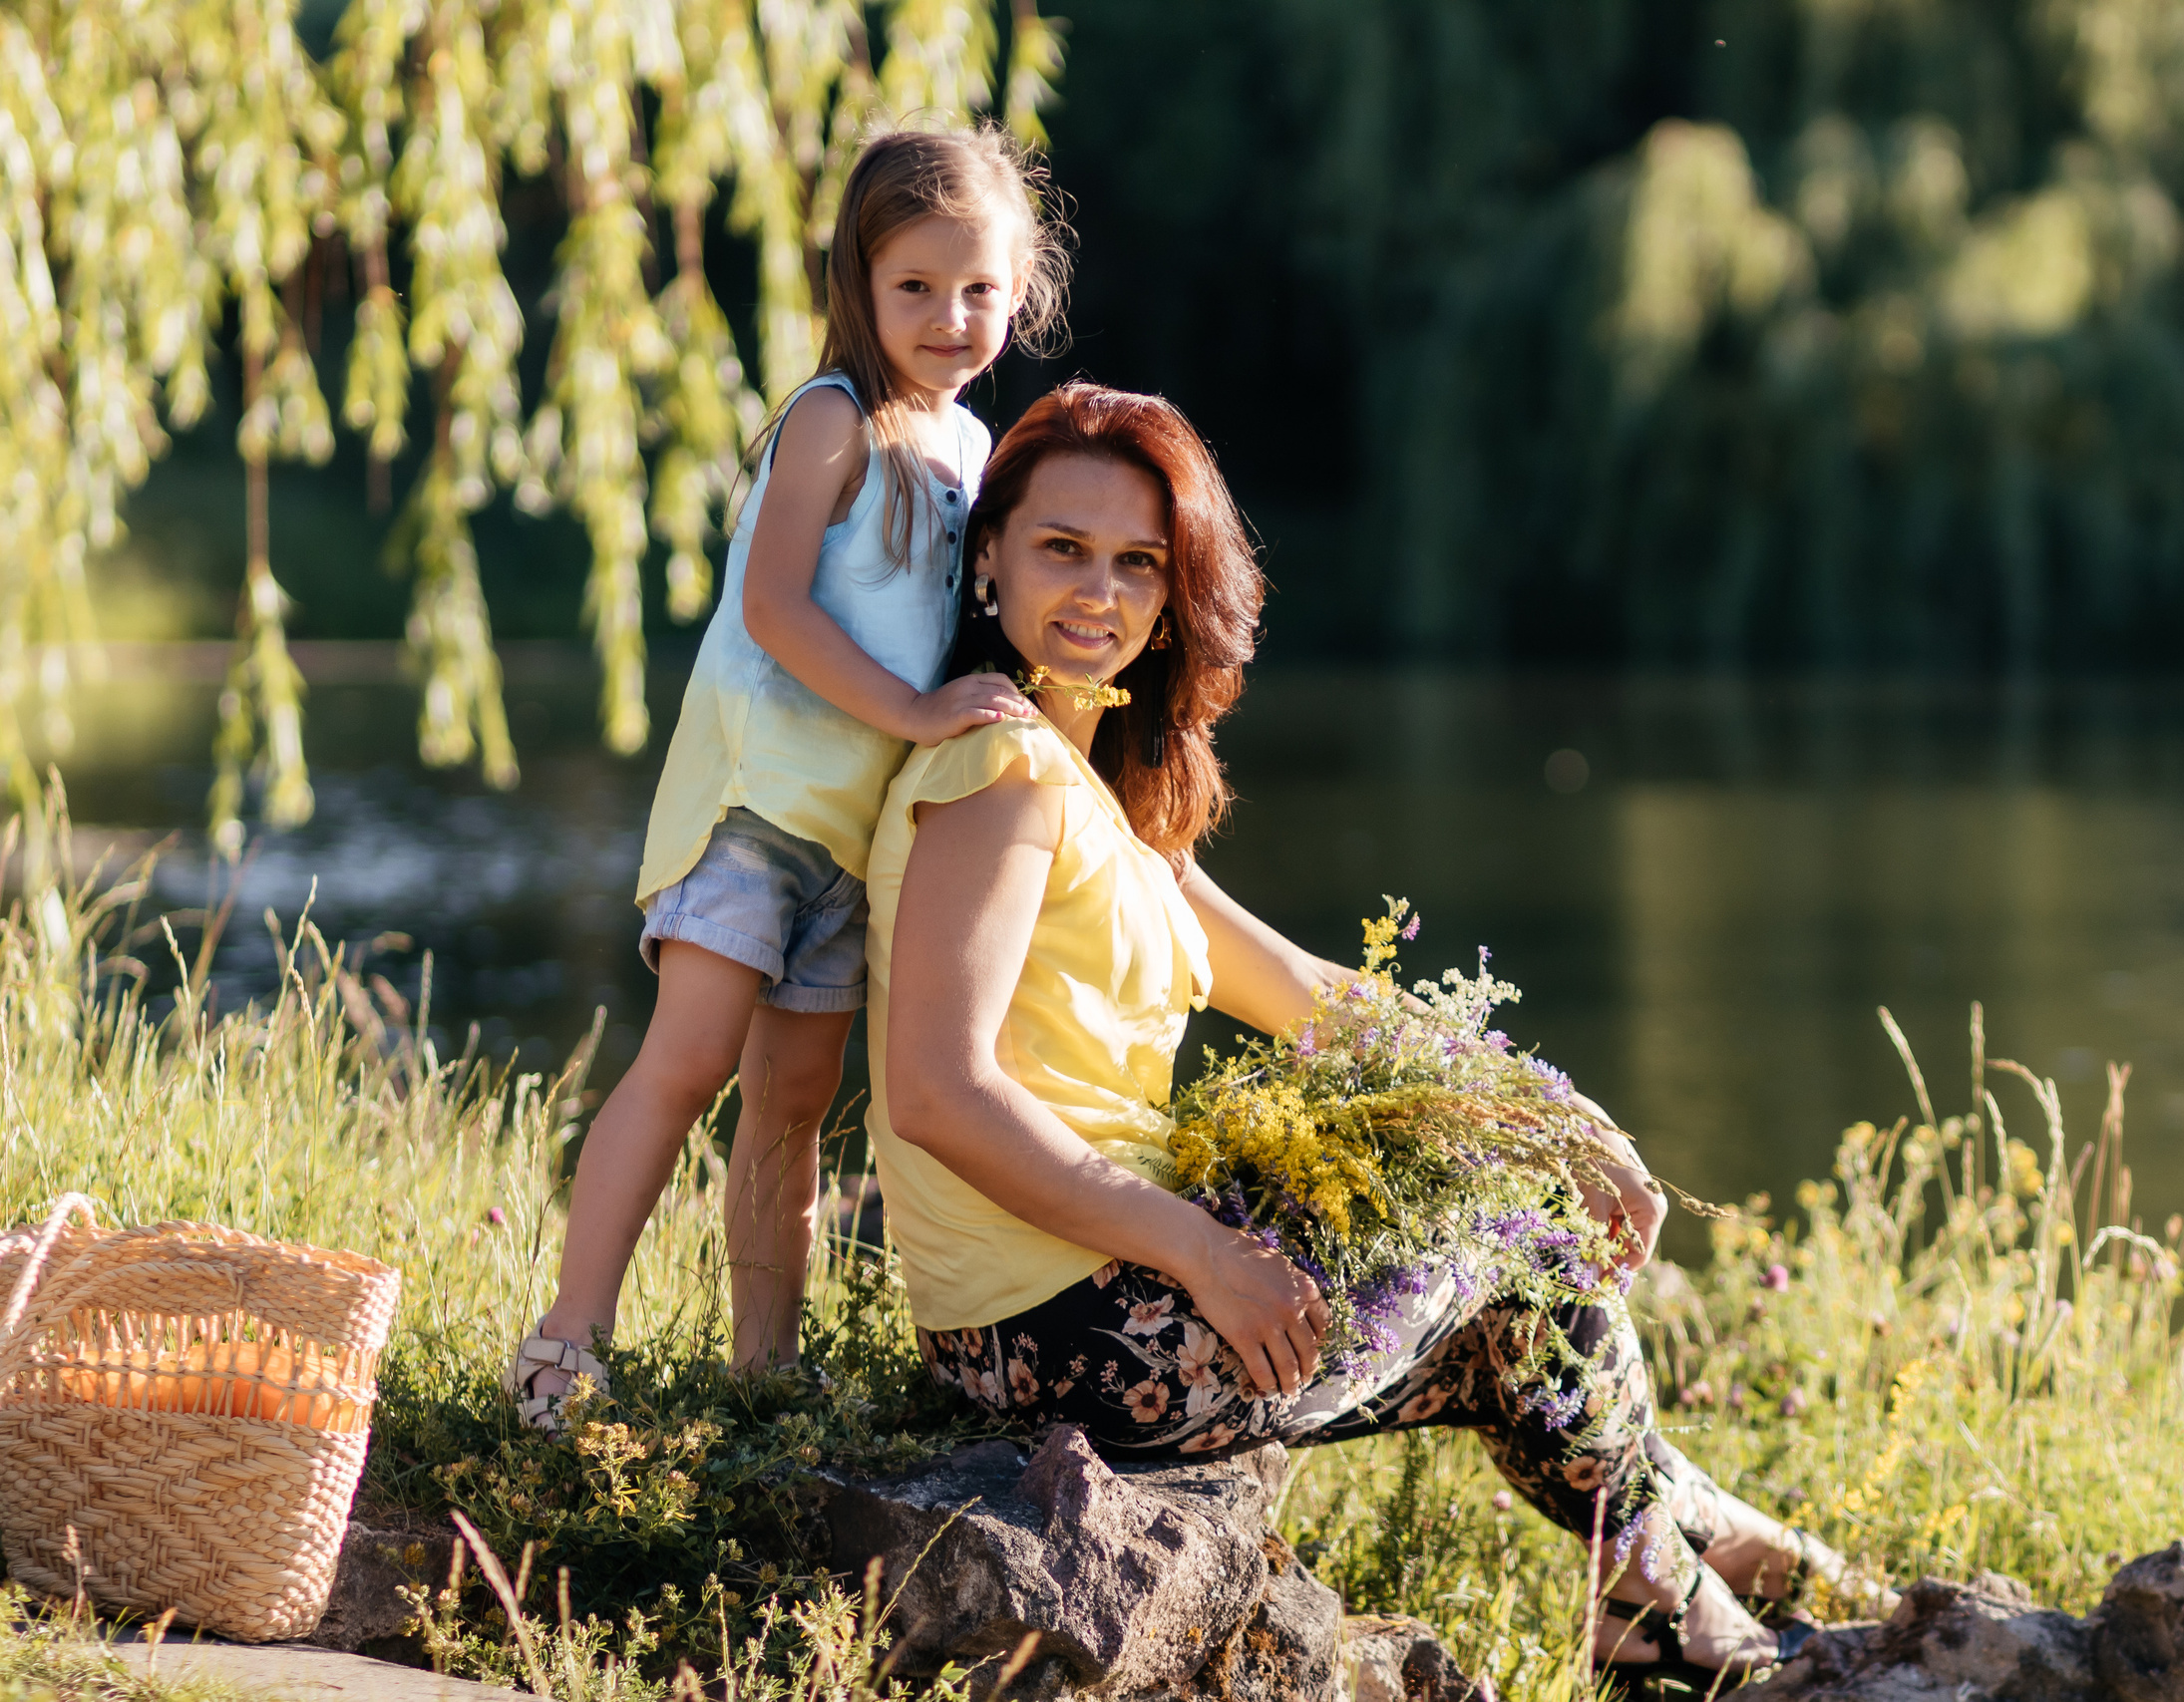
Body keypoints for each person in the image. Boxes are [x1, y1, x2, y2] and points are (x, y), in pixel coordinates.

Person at [865, 381, 1894, 1688]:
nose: (1100, 593)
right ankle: (1676, 1577)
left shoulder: (1090, 789)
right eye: (1063, 548)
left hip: (1085, 1294)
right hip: (1050, 1326)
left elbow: (1312, 991)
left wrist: (1559, 1117)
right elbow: (937, 1090)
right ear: (990, 558)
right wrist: (1209, 1256)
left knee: (1500, 1329)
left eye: (1139, 563)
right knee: (1522, 1247)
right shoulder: (1001, 775)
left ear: (1175, 593)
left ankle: (1677, 1539)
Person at [507, 128, 1065, 1429]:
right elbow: (774, 610)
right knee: (689, 1060)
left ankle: (765, 1371)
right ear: (856, 283)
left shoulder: (972, 447)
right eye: (915, 286)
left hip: (857, 834)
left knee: (797, 1104)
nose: (950, 317)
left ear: (1019, 293)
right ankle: (566, 1342)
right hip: (757, 806)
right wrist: (916, 711)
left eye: (979, 289)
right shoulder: (834, 420)